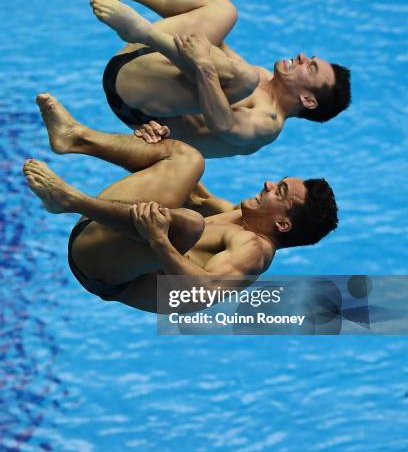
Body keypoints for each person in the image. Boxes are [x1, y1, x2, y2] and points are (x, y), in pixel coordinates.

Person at [23, 93, 339, 314]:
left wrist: (160, 240)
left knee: (189, 223)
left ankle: (71, 200)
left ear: (282, 224)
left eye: (279, 192)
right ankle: (75, 138)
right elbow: (193, 194)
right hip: (103, 233)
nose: (269, 184)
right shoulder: (238, 217)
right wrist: (154, 148)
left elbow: (202, 292)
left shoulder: (254, 252)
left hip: (101, 269)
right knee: (187, 158)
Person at [70, 0, 351, 158]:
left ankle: (142, 31)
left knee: (242, 77)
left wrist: (202, 63)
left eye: (310, 66)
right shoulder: (263, 76)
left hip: (134, 100)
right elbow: (202, 45)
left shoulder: (267, 124)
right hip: (142, 59)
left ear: (308, 100)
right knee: (224, 10)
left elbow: (223, 124)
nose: (302, 56)